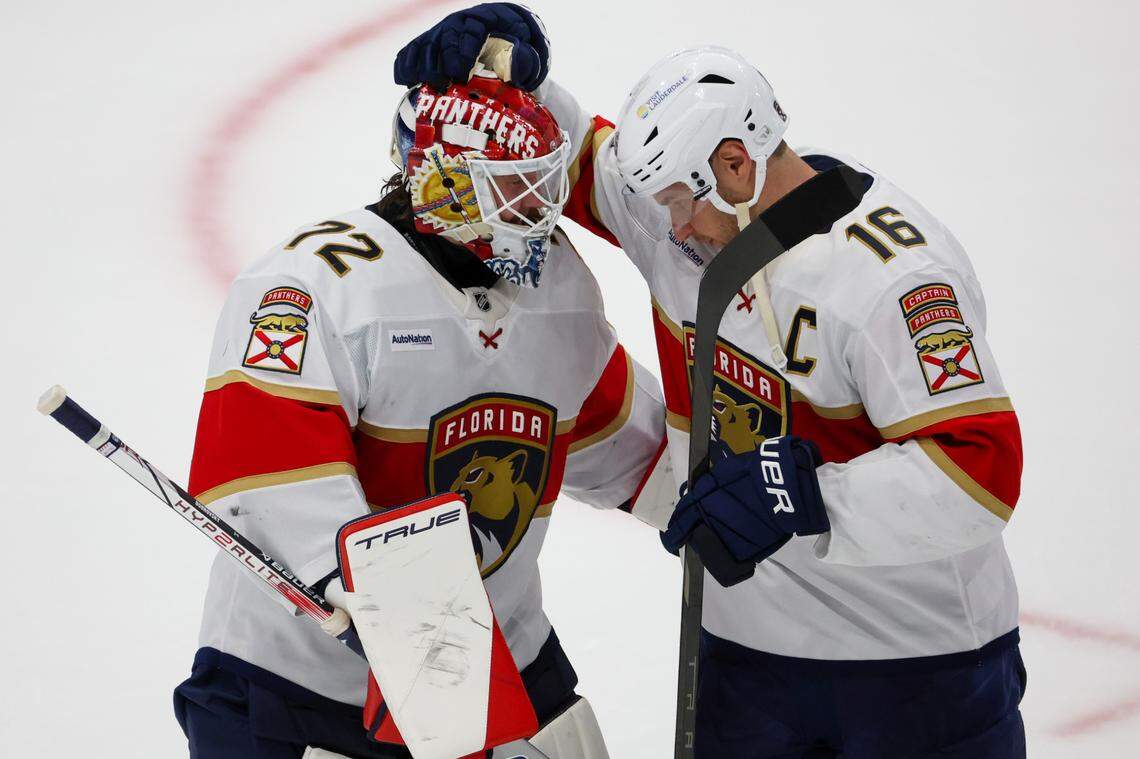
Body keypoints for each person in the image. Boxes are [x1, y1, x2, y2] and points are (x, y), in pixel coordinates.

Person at [395, 6, 1028, 758]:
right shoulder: (692, 212)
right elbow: (562, 160)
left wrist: (806, 494)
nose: (668, 227)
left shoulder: (893, 276)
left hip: (921, 667)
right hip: (745, 660)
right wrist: (500, 62)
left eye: (676, 203)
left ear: (735, 164)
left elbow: (980, 468)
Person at [175, 69, 674, 758]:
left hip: (507, 663)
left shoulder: (555, 286)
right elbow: (271, 483)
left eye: (542, 182)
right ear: (446, 184)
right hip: (303, 690)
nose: (544, 208)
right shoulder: (312, 285)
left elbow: (628, 446)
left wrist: (716, 492)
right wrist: (442, 675)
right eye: (516, 186)